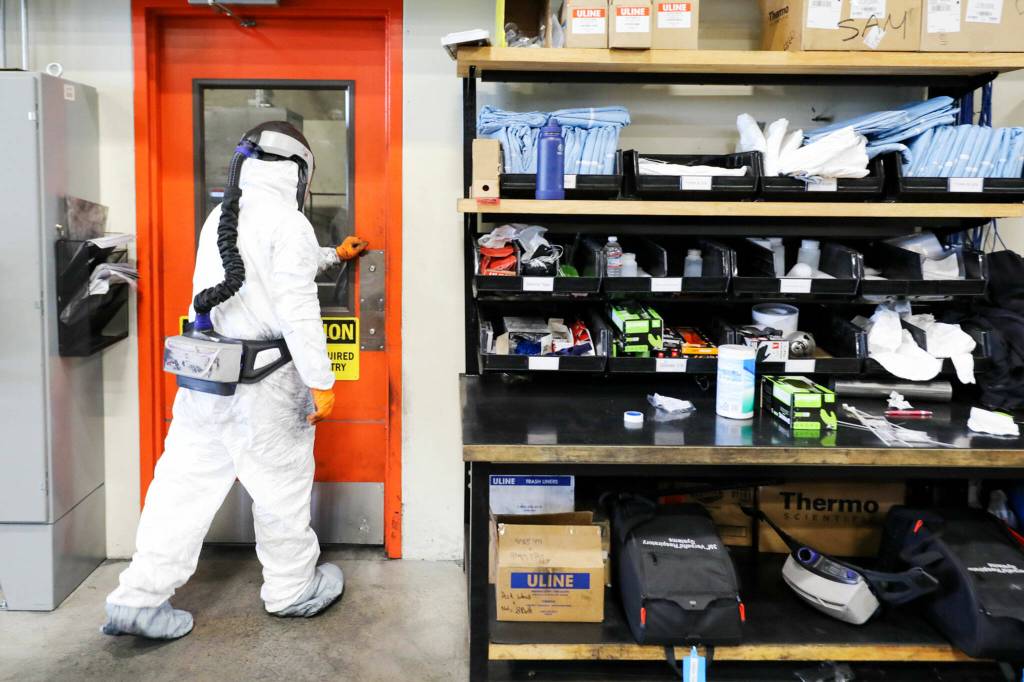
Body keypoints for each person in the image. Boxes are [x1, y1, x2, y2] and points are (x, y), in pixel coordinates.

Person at [101, 122, 367, 639]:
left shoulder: (219, 219)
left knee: (180, 489)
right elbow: (295, 307)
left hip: (206, 382)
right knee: (281, 490)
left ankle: (137, 598)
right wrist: (321, 379)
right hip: (266, 387)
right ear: (297, 172)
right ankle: (292, 589)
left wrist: (334, 256)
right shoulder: (291, 225)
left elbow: (252, 269)